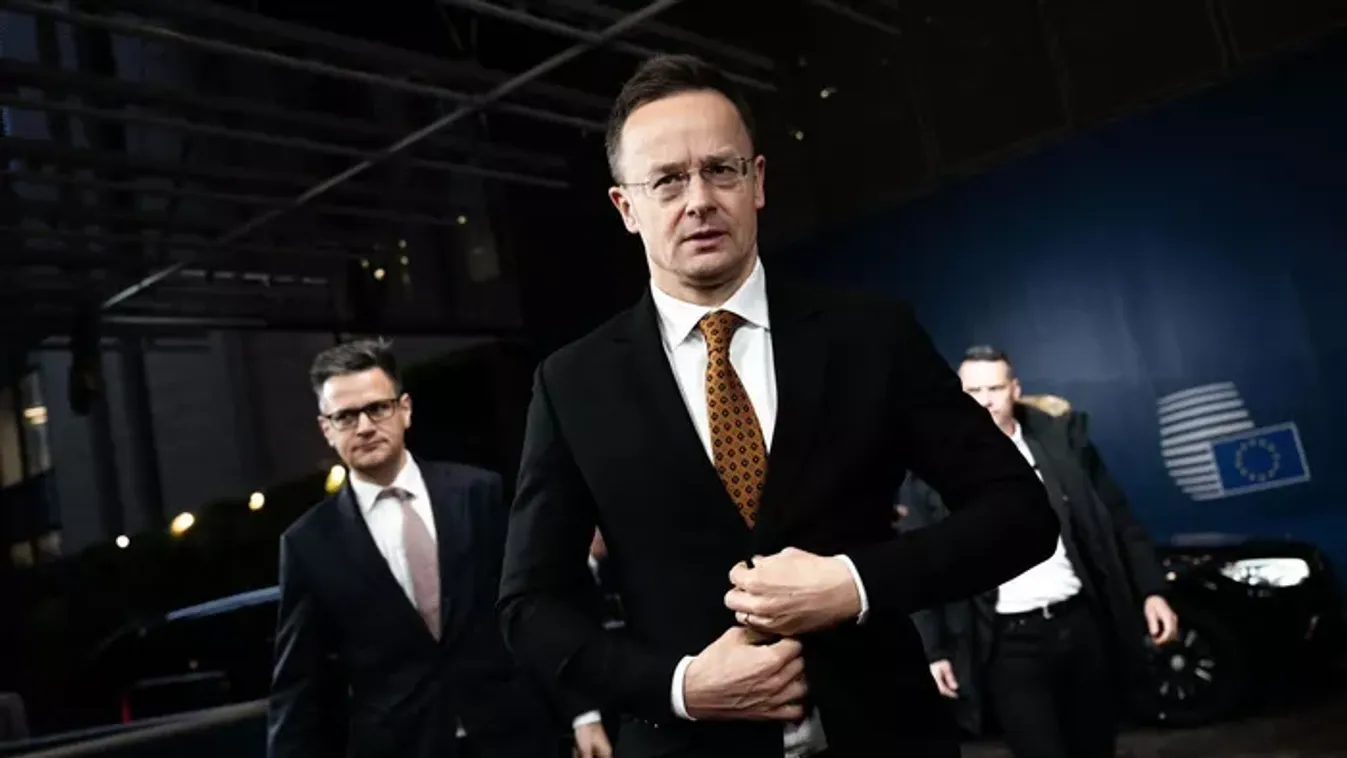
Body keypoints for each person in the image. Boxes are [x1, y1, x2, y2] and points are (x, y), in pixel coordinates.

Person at [497, 54, 1060, 758]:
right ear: (626, 208)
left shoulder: (870, 335)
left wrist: (856, 583)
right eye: (667, 180)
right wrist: (679, 686)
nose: (698, 199)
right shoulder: (572, 383)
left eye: (720, 169)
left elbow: (1019, 513)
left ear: (757, 181)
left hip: (885, 732)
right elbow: (529, 606)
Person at [267, 339, 611, 758]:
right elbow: (300, 683)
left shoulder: (478, 493)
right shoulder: (308, 544)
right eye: (346, 416)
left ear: (405, 409)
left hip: (514, 735)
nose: (365, 427)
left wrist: (583, 712)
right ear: (327, 429)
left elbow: (536, 607)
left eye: (378, 408)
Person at [901, 345, 1180, 758]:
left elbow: (1120, 519)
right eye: (973, 391)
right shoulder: (933, 469)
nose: (985, 400)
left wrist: (1153, 591)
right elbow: (920, 565)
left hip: (1080, 623)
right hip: (1008, 644)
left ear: (1015, 389)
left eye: (995, 388)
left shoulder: (1061, 443)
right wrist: (934, 651)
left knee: (1095, 748)